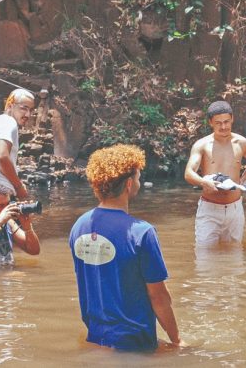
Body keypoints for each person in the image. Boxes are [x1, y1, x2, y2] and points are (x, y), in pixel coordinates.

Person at [69, 144, 182, 350]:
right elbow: (158, 296)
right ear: (129, 184)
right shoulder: (141, 232)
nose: (139, 181)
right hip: (135, 343)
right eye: (138, 177)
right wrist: (177, 341)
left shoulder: (79, 227)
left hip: (96, 337)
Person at [184, 101, 246, 246]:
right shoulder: (202, 145)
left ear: (232, 119)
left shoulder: (242, 143)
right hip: (209, 208)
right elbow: (188, 173)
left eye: (226, 121)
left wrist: (242, 178)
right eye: (218, 123)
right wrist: (203, 182)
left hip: (235, 209)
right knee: (204, 256)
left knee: (235, 256)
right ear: (210, 123)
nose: (223, 127)